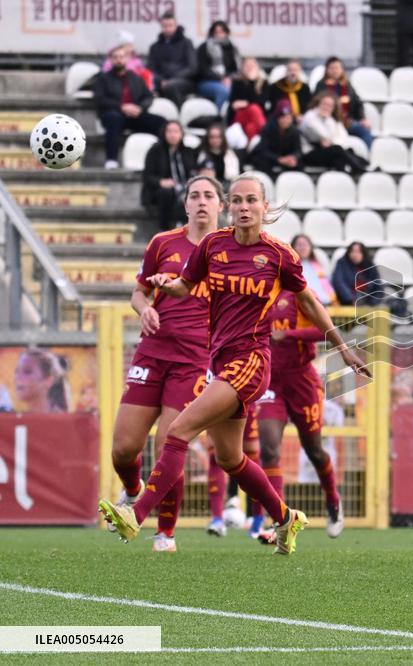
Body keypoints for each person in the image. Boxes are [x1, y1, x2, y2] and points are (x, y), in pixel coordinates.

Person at [98, 173, 370, 555]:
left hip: (252, 362)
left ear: (265, 207)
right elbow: (185, 287)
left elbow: (309, 302)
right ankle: (285, 517)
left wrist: (342, 347)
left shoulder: (279, 254)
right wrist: (164, 282)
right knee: (229, 457)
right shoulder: (213, 245)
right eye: (238, 201)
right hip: (219, 361)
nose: (244, 208)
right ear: (229, 206)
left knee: (177, 431)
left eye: (251, 201)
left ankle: (137, 514)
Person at [107, 176, 221, 553]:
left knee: (170, 443)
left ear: (220, 205)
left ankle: (165, 533)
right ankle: (132, 490)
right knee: (123, 449)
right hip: (151, 353)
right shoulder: (163, 243)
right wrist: (143, 311)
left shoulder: (228, 252)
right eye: (195, 196)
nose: (202, 202)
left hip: (194, 360)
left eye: (209, 196)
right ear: (185, 205)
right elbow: (138, 292)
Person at [254, 285, 347, 541]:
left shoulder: (300, 294)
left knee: (314, 450)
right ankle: (280, 522)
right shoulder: (257, 292)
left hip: (302, 381)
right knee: (269, 448)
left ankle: (333, 502)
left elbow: (324, 331)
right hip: (271, 381)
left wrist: (290, 334)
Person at [94, 46, 166, 169]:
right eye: (115, 57)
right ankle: (111, 160)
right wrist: (121, 107)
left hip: (134, 115)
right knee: (114, 119)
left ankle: (162, 160)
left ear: (127, 59)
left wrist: (139, 108)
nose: (118, 60)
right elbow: (100, 99)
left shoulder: (135, 78)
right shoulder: (103, 78)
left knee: (161, 123)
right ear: (110, 60)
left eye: (121, 57)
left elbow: (148, 97)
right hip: (113, 114)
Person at [141, 120, 197, 232]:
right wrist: (161, 182)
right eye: (169, 131)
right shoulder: (155, 151)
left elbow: (194, 171)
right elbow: (147, 177)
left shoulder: (188, 152)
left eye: (176, 131)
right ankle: (164, 229)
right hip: (160, 191)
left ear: (181, 134)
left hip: (184, 188)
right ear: (164, 133)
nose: (172, 135)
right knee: (166, 192)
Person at [299, 92, 370, 174]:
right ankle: (359, 169)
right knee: (337, 150)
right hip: (309, 154)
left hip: (325, 151)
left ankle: (360, 168)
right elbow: (324, 134)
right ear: (317, 103)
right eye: (324, 104)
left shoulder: (330, 119)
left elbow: (343, 137)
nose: (326, 107)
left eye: (330, 106)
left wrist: (330, 141)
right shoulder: (310, 116)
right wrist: (329, 139)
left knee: (344, 155)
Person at [313, 57, 374, 149]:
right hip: (328, 123)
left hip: (347, 122)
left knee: (365, 132)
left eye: (337, 68)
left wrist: (362, 118)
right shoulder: (321, 85)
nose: (335, 71)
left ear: (342, 69)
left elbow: (358, 103)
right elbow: (315, 105)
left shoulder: (347, 85)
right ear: (327, 70)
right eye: (332, 68)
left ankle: (365, 158)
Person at [147, 10, 197, 106]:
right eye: (165, 26)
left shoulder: (186, 43)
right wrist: (161, 80)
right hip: (161, 81)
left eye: (170, 25)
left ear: (176, 25)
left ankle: (179, 116)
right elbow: (151, 69)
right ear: (161, 27)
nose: (168, 29)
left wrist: (171, 80)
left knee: (170, 86)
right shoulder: (155, 47)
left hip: (184, 81)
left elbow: (192, 68)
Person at [195, 20, 240, 111]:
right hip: (207, 82)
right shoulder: (204, 47)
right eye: (216, 32)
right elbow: (202, 69)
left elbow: (235, 69)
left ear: (226, 33)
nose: (219, 34)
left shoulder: (232, 49)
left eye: (221, 31)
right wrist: (220, 79)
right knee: (222, 91)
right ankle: (217, 118)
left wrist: (229, 78)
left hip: (229, 81)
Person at [249, 101, 303, 175]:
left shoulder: (294, 131)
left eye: (288, 117)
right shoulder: (268, 129)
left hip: (285, 158)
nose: (286, 120)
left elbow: (298, 150)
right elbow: (263, 150)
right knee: (262, 162)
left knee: (298, 163)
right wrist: (278, 159)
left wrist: (293, 157)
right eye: (283, 117)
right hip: (271, 158)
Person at [13, 348, 68, 413]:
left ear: (49, 380)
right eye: (17, 371)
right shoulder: (20, 419)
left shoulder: (61, 420)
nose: (17, 377)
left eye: (27, 372)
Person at [228, 57, 268, 142]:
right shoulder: (237, 83)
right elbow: (233, 104)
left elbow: (262, 102)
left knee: (251, 128)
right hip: (240, 116)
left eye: (252, 66)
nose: (250, 68)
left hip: (256, 118)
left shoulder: (264, 83)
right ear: (242, 68)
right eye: (247, 66)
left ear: (257, 68)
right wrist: (251, 82)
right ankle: (267, 135)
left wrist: (246, 103)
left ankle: (250, 151)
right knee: (254, 108)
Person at [332, 241, 383, 306]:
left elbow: (378, 285)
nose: (355, 254)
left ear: (363, 254)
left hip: (367, 301)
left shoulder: (370, 265)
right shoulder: (342, 263)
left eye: (358, 252)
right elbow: (338, 282)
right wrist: (350, 300)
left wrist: (373, 303)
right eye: (352, 251)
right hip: (347, 301)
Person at [291, 234, 337, 305]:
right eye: (299, 245)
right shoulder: (290, 266)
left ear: (310, 247)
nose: (303, 248)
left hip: (325, 303)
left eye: (305, 245)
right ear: (293, 247)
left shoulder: (318, 264)